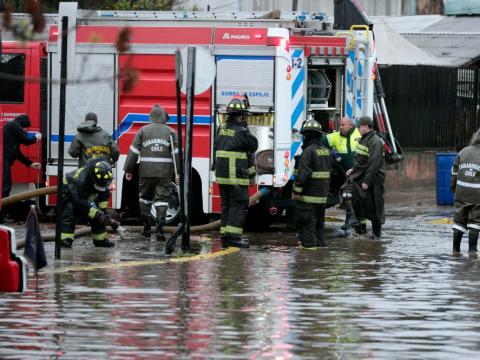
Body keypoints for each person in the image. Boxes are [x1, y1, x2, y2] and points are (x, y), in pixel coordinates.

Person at [124, 104, 178, 242]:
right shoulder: (171, 132)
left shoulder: (143, 131)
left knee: (145, 199)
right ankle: (160, 231)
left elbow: (133, 152)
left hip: (146, 172)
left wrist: (129, 170)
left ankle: (147, 229)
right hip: (164, 173)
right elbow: (176, 154)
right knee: (162, 201)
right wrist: (179, 174)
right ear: (164, 117)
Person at [214, 95, 258, 248]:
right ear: (241, 115)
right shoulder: (241, 131)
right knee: (238, 205)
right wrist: (246, 128)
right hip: (236, 176)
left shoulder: (221, 128)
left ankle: (225, 236)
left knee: (226, 205)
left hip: (222, 176)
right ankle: (234, 237)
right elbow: (254, 145)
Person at [60, 159, 118, 248]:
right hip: (70, 191)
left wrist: (107, 218)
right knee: (69, 211)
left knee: (99, 215)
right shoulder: (81, 179)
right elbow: (80, 201)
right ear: (93, 178)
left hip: (85, 192)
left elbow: (102, 205)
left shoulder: (102, 179)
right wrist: (96, 213)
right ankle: (66, 239)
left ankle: (100, 240)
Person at [292, 119, 331, 248]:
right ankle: (320, 258)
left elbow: (304, 174)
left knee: (307, 227)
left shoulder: (308, 152)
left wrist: (297, 191)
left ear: (306, 136)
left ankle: (309, 262)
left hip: (308, 198)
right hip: (321, 198)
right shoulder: (325, 150)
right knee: (319, 227)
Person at [345, 116, 386, 239]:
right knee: (357, 200)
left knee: (375, 204)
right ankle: (361, 228)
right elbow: (361, 159)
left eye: (359, 126)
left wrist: (367, 181)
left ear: (365, 126)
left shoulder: (375, 141)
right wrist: (353, 169)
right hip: (363, 176)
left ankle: (376, 234)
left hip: (374, 178)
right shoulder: (364, 139)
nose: (357, 129)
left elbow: (373, 163)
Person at [321, 116, 362, 229]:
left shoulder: (359, 134)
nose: (340, 127)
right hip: (346, 174)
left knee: (359, 199)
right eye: (339, 125)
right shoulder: (335, 136)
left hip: (360, 173)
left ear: (351, 125)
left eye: (343, 125)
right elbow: (320, 141)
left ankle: (361, 226)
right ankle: (351, 222)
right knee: (348, 196)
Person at [1, 115, 41, 222]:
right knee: (5, 188)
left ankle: (2, 216)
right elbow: (26, 140)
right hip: (2, 161)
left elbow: (17, 153)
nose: (25, 131)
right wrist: (36, 138)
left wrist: (31, 164)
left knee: (5, 188)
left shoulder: (13, 131)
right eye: (26, 128)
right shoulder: (14, 125)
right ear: (23, 125)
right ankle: (1, 217)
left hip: (4, 161)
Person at [450, 129, 480, 252]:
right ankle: (472, 252)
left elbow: (454, 173)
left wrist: (453, 188)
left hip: (461, 192)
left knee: (459, 221)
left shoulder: (463, 152)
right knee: (476, 221)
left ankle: (455, 250)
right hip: (477, 195)